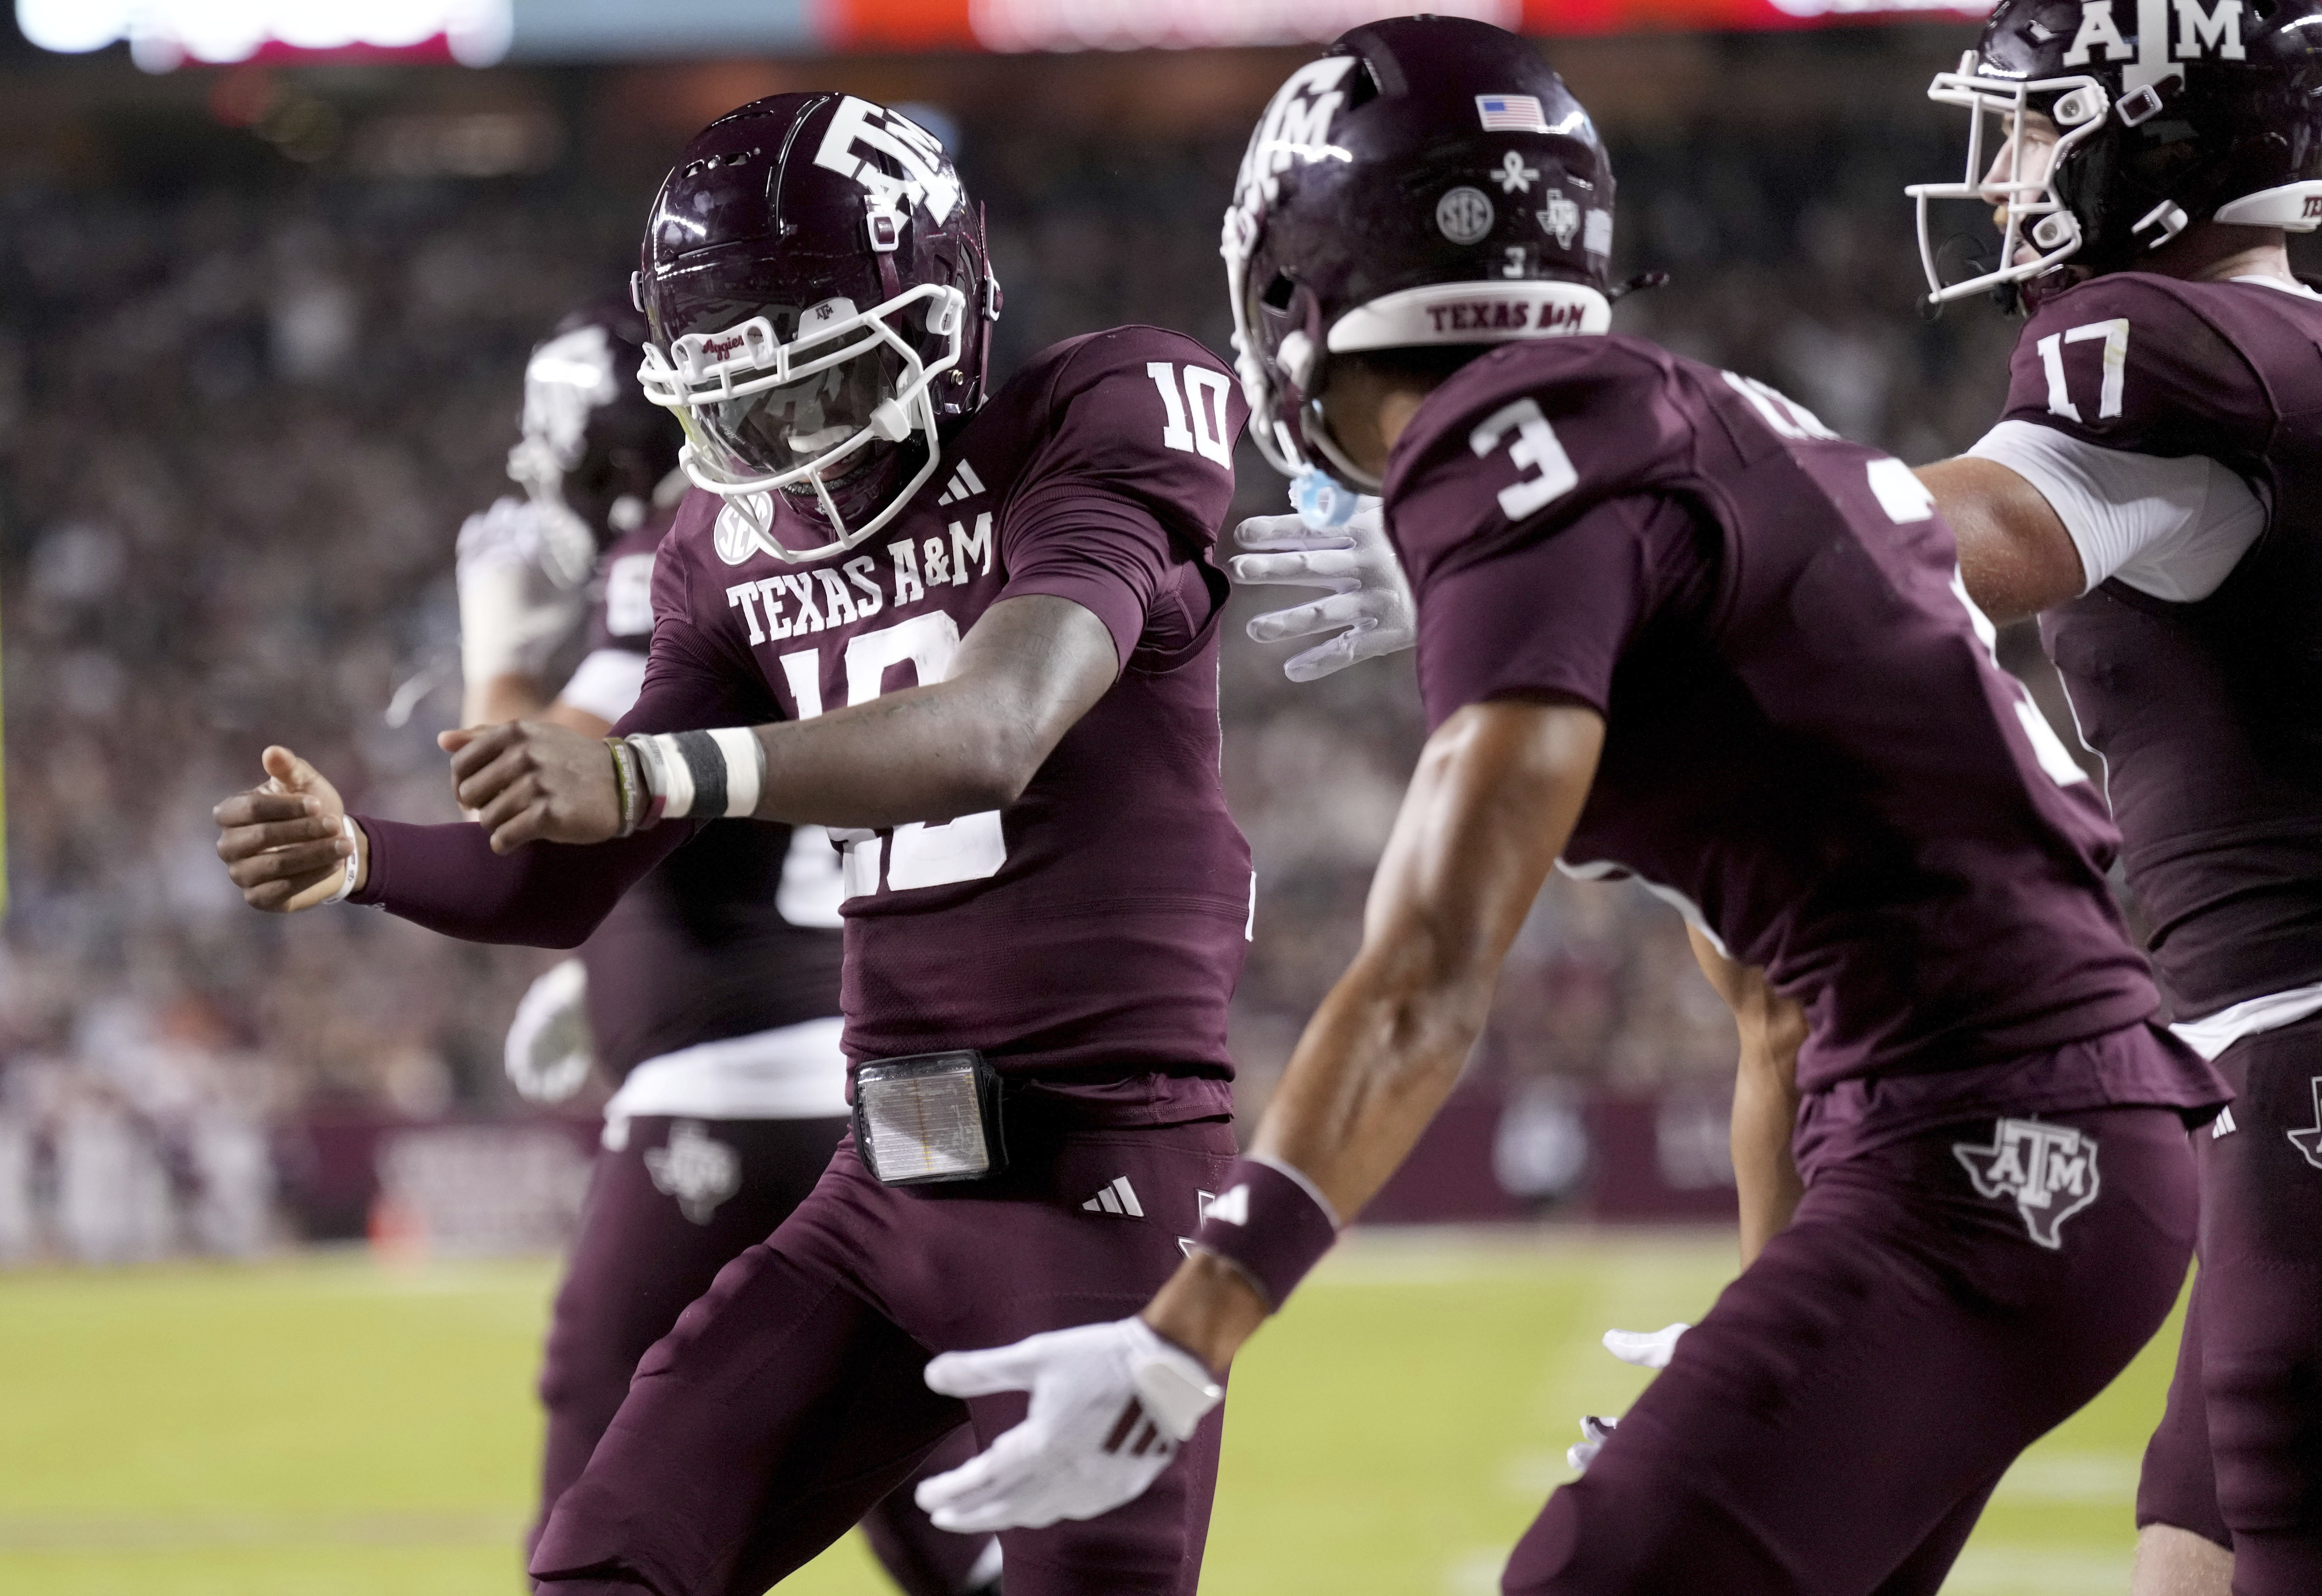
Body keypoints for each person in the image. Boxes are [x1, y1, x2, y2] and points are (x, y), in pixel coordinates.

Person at [905, 20, 2231, 1594]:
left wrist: (1182, 1339)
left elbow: (1423, 978)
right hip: (2032, 1142)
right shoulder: (1685, 418)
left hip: (1987, 1149)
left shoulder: (1511, 457)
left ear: (1303, 286)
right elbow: (1776, 996)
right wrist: (1772, 1291)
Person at [213, 90, 1253, 1596]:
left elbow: (996, 726)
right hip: (879, 1184)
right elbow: (561, 878)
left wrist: (650, 772)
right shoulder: (720, 549)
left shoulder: (1095, 415)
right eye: (741, 402)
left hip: (1098, 1183)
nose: (785, 447)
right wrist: (365, 855)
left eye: (821, 388)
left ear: (937, 319)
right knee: (608, 1562)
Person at [453, 299, 997, 1595]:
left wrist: (493, 662)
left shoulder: (672, 552)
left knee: (598, 1497)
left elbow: (529, 810)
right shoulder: (793, 536)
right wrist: (605, 967)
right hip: (864, 1071)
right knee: (930, 1501)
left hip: (738, 1096)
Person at [1894, 6, 2322, 1589]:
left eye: (2029, 130)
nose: (2002, 179)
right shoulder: (2284, 350)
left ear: (2151, 140)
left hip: (2303, 1046)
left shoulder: (2169, 345)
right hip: (2269, 1065)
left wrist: (1596, 542)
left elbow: (1949, 545)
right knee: (2184, 1551)